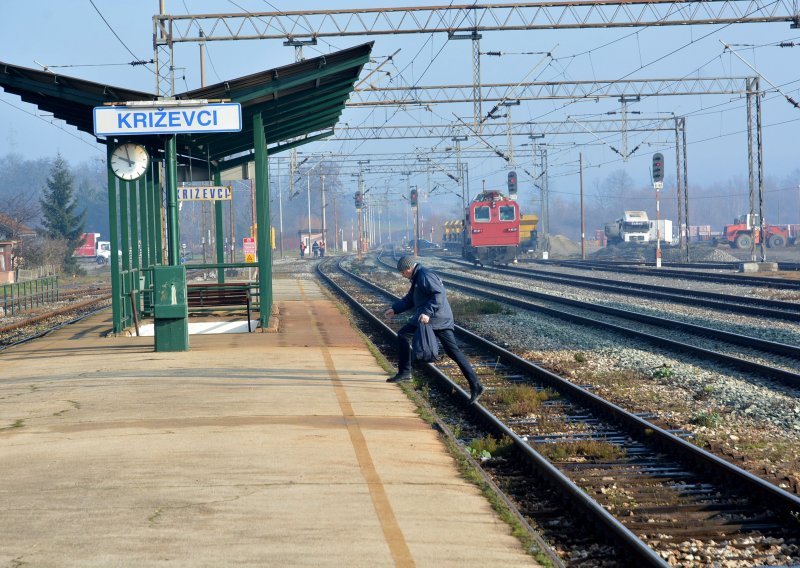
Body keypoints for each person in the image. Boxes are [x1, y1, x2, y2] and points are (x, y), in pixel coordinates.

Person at [383, 256, 486, 404]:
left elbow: (439, 295)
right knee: (403, 334)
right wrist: (394, 309)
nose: (402, 275)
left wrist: (427, 312)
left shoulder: (425, 275)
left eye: (402, 272)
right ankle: (405, 372)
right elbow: (410, 299)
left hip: (438, 320)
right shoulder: (417, 278)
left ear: (408, 269)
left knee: (453, 352)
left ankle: (476, 385)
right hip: (426, 319)